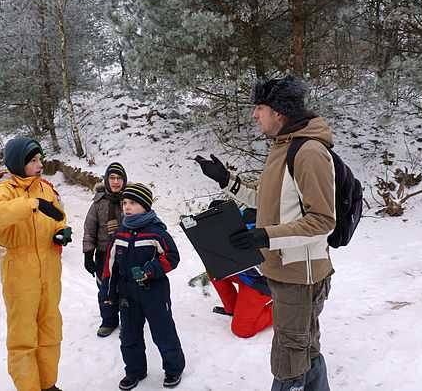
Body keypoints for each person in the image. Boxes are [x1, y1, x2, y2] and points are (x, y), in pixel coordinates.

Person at [195, 76, 335, 391]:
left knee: (289, 361)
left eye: (259, 107)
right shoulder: (282, 148)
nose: (254, 115)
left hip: (301, 277)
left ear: (279, 112)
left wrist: (265, 237)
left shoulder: (309, 152)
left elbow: (323, 220)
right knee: (305, 350)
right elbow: (264, 200)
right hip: (283, 271)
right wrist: (225, 180)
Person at [0, 137, 71, 391]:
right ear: (18, 163)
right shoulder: (3, 191)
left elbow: (58, 215)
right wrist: (31, 204)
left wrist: (61, 231)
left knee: (50, 329)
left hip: (50, 269)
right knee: (23, 336)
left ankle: (48, 384)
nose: (39, 164)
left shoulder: (46, 188)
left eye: (40, 159)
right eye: (33, 160)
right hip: (20, 272)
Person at [102, 183, 185, 390]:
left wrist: (150, 270)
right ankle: (134, 371)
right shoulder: (120, 234)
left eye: (133, 203)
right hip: (127, 295)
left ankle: (174, 368)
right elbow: (110, 267)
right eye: (125, 203)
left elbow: (172, 257)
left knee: (163, 332)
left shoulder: (157, 233)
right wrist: (109, 292)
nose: (127, 207)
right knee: (129, 335)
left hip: (154, 293)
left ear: (146, 206)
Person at [207, 201, 273, 338]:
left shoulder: (259, 224)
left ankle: (282, 309)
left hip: (260, 281)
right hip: (244, 273)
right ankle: (232, 308)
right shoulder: (223, 227)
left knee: (242, 330)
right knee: (213, 270)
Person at [83, 162, 127, 337]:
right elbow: (89, 230)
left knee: (127, 288)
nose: (116, 182)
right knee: (105, 289)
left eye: (119, 178)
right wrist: (88, 254)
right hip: (104, 254)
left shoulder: (131, 199)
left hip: (127, 253)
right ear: (107, 180)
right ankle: (109, 321)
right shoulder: (98, 203)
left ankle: (128, 321)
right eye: (112, 178)